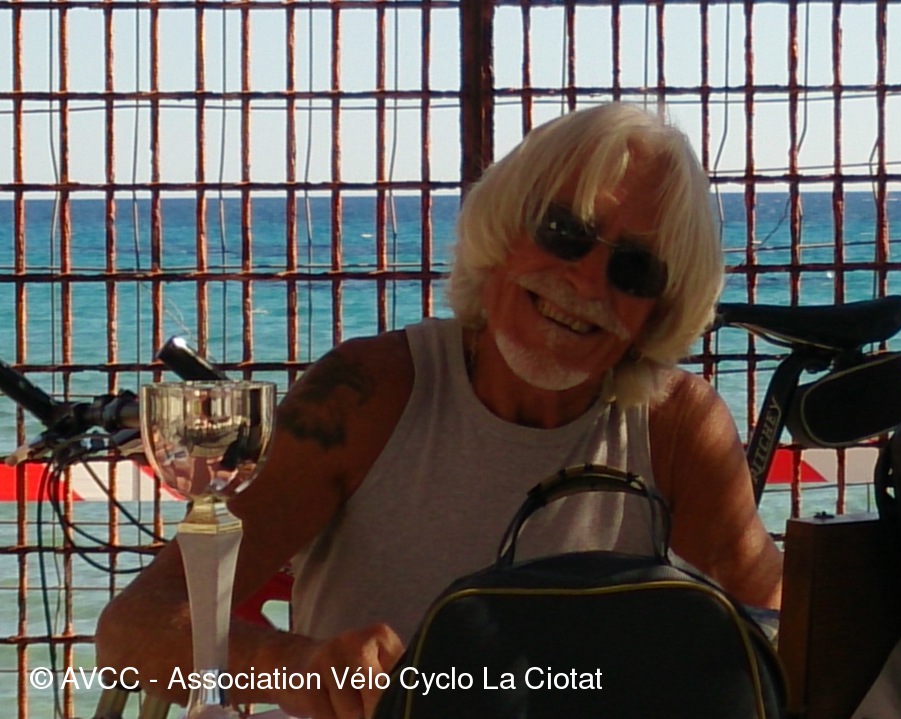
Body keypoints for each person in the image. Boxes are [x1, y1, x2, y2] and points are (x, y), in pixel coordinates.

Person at [95, 102, 783, 719]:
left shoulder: (674, 425)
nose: (587, 279)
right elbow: (133, 629)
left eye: (635, 268)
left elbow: (779, 630)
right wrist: (297, 666)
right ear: (502, 226)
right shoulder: (373, 394)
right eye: (564, 230)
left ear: (659, 309)